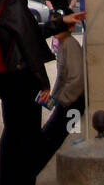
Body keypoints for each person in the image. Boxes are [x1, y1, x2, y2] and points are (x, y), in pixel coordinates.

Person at [0, 0, 85, 185]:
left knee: (11, 138)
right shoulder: (16, 3)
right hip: (22, 79)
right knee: (27, 141)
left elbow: (29, 31)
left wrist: (60, 23)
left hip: (6, 78)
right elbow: (29, 45)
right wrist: (43, 82)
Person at [34, 24, 86, 174]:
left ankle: (29, 172)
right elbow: (62, 77)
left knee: (53, 137)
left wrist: (61, 99)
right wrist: (54, 98)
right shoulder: (64, 45)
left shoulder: (70, 45)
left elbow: (77, 78)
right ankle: (30, 172)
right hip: (68, 100)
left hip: (72, 102)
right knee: (50, 137)